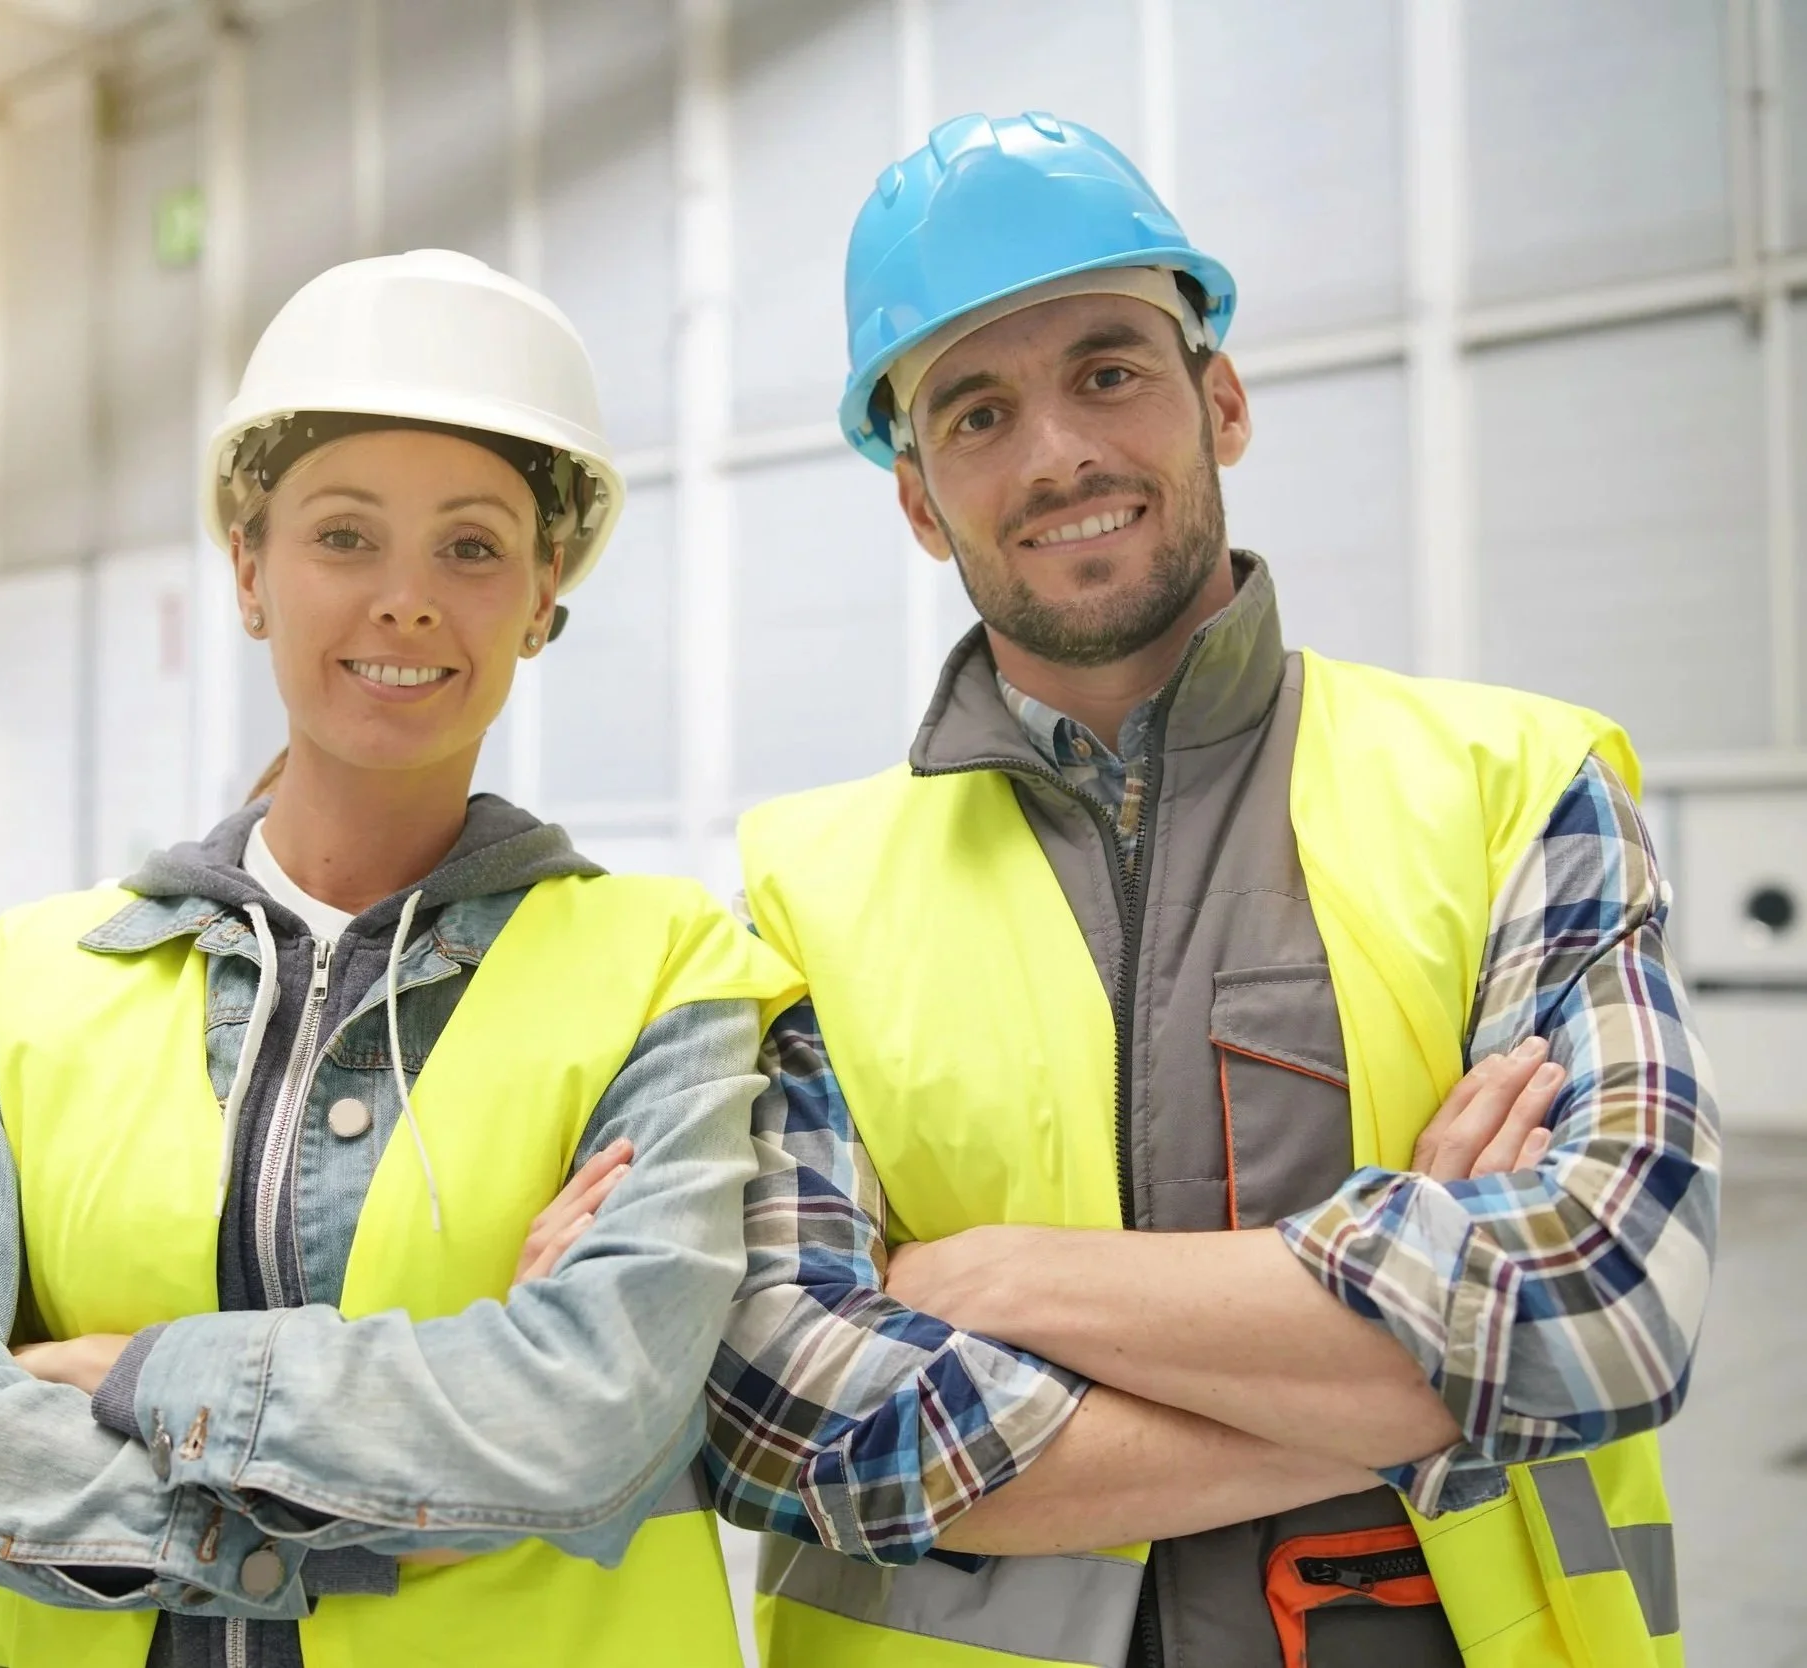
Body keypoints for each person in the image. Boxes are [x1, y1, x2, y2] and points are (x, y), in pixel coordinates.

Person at [706, 113, 1716, 1668]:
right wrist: (1418, 1338)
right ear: (917, 500)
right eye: (977, 413)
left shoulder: (1513, 785)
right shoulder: (804, 895)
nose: (1058, 454)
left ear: (1220, 402)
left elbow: (1609, 1303)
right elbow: (789, 1407)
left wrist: (1006, 1281)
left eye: (1109, 370)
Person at [0, 249, 799, 1668]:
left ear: (543, 594)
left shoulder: (669, 969)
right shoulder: (31, 982)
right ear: (249, 571)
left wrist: (133, 1375)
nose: (407, 599)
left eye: (472, 546)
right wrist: (427, 1474)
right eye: (344, 535)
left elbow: (590, 1414)